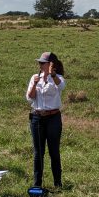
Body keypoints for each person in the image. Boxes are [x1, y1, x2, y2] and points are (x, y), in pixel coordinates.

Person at [26, 52, 65, 188]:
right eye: (40, 62)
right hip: (37, 118)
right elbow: (29, 98)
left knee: (54, 151)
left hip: (53, 118)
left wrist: (52, 74)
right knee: (38, 152)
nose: (40, 65)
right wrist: (34, 84)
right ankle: (37, 184)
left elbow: (61, 87)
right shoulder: (35, 77)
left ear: (51, 64)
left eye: (43, 62)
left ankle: (58, 184)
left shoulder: (58, 78)